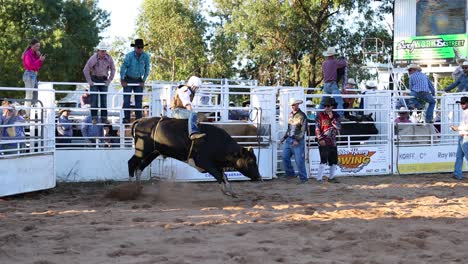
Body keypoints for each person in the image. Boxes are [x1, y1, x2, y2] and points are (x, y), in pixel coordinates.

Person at [83, 42, 115, 123]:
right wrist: (89, 81)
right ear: (98, 51)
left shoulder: (109, 58)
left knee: (104, 100)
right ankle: (94, 118)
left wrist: (109, 80)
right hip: (94, 79)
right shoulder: (93, 58)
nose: (104, 52)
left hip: (104, 80)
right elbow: (85, 69)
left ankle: (104, 118)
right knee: (94, 100)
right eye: (102, 51)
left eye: (104, 50)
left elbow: (113, 69)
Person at [120, 39, 151, 123]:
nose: (140, 49)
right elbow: (123, 67)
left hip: (138, 79)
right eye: (138, 47)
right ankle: (126, 118)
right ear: (135, 47)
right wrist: (122, 79)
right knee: (126, 100)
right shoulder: (129, 56)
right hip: (128, 78)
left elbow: (147, 68)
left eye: (141, 47)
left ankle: (138, 119)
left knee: (139, 100)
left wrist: (143, 80)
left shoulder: (146, 56)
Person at [280, 98, 308, 184]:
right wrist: (284, 138)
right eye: (292, 105)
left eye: (294, 104)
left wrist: (297, 140)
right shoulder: (291, 115)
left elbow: (303, 130)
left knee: (299, 160)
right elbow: (289, 128)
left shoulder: (302, 115)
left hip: (297, 140)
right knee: (285, 157)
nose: (293, 106)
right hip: (289, 139)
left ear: (297, 105)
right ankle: (290, 173)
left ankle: (303, 178)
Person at [315, 97, 341, 183]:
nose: (326, 107)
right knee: (323, 159)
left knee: (334, 160)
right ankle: (319, 178)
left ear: (332, 107)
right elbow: (317, 128)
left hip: (332, 141)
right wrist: (320, 138)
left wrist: (332, 118)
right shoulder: (320, 115)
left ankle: (331, 177)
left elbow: (338, 127)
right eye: (325, 105)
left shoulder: (336, 116)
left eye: (328, 106)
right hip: (323, 141)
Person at [320, 47, 347, 117]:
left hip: (325, 85)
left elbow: (323, 74)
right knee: (339, 101)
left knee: (323, 102)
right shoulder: (335, 62)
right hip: (332, 85)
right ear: (333, 55)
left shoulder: (324, 63)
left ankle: (318, 115)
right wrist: (341, 59)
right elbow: (344, 63)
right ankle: (340, 117)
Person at [22, 38, 46, 115]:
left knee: (35, 94)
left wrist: (39, 59)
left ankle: (32, 113)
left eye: (39, 46)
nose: (38, 48)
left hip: (33, 74)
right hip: (29, 74)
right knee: (29, 94)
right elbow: (30, 66)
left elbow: (37, 66)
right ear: (32, 46)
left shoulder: (35, 54)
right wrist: (39, 60)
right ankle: (27, 114)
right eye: (36, 46)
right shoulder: (28, 54)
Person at [449, 96, 468, 180]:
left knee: (462, 156)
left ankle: (457, 173)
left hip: (465, 136)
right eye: (461, 103)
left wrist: (457, 128)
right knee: (459, 156)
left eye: (463, 103)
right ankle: (457, 174)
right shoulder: (465, 112)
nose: (461, 105)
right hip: (462, 136)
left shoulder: (466, 113)